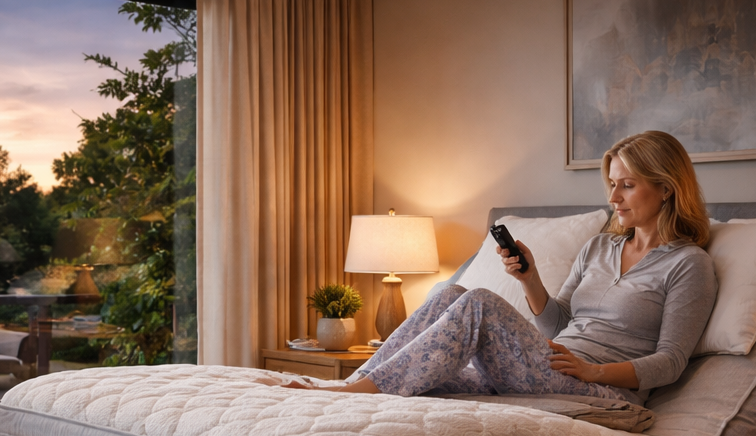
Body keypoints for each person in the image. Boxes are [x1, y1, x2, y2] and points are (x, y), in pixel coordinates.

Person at [283, 130, 717, 405]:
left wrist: (593, 371)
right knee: (450, 297)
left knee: (479, 304)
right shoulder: (599, 248)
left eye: (627, 185)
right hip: (550, 363)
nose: (613, 197)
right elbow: (556, 324)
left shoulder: (688, 264)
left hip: (602, 388)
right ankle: (349, 388)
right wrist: (529, 280)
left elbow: (672, 360)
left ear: (665, 188)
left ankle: (348, 394)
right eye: (611, 184)